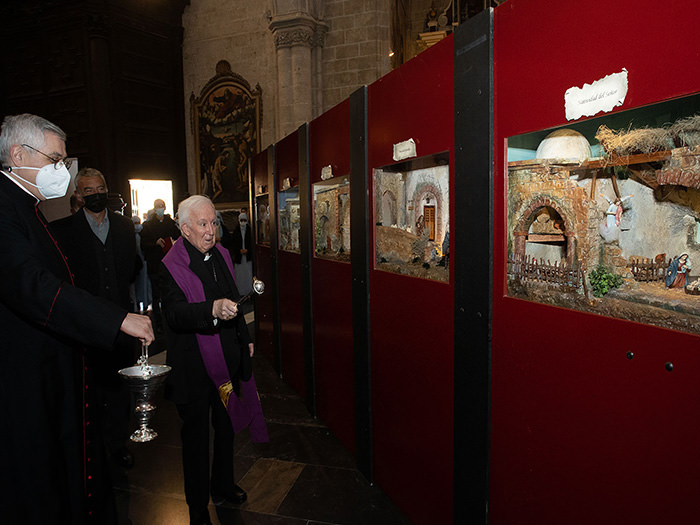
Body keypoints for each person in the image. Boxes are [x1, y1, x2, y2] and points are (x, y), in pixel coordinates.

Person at [0, 113, 153, 524]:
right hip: (26, 377)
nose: (61, 171)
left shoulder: (26, 205)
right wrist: (116, 318)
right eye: (55, 159)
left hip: (49, 366)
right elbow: (32, 284)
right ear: (19, 154)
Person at [160, 195, 268, 525]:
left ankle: (222, 484)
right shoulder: (170, 265)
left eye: (214, 223)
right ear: (184, 229)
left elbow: (234, 301)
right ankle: (196, 508)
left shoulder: (220, 254)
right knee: (196, 440)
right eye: (203, 225)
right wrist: (211, 309)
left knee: (226, 427)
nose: (211, 232)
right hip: (193, 366)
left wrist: (244, 338)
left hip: (227, 359)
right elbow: (175, 314)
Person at [52, 167, 142, 480]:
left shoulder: (123, 226)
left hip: (121, 324)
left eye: (100, 188)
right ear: (78, 195)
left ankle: (118, 445)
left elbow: (130, 269)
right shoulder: (62, 231)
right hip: (84, 325)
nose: (95, 195)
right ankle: (91, 449)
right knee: (88, 389)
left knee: (120, 389)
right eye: (88, 191)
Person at [141, 198, 179, 326]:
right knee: (156, 294)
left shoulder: (170, 222)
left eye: (162, 206)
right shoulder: (148, 225)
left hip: (170, 264)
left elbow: (178, 236)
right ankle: (158, 321)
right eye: (158, 206)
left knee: (170, 293)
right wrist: (155, 242)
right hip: (155, 264)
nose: (160, 208)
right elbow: (144, 244)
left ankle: (172, 318)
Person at [230, 210, 253, 296]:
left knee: (248, 275)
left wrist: (248, 250)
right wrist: (239, 250)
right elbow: (233, 243)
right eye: (241, 220)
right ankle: (240, 292)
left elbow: (252, 243)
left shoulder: (250, 231)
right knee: (240, 276)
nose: (243, 222)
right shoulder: (236, 231)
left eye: (244, 220)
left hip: (247, 257)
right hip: (239, 257)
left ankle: (249, 292)